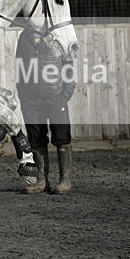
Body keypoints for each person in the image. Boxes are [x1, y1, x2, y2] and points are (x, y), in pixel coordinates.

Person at [15, 27, 77, 194]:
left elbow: (68, 65)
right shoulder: (24, 37)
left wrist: (64, 95)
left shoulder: (57, 36)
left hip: (55, 97)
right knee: (36, 139)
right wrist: (23, 94)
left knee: (61, 137)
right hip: (31, 100)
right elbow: (19, 65)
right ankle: (42, 180)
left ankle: (65, 179)